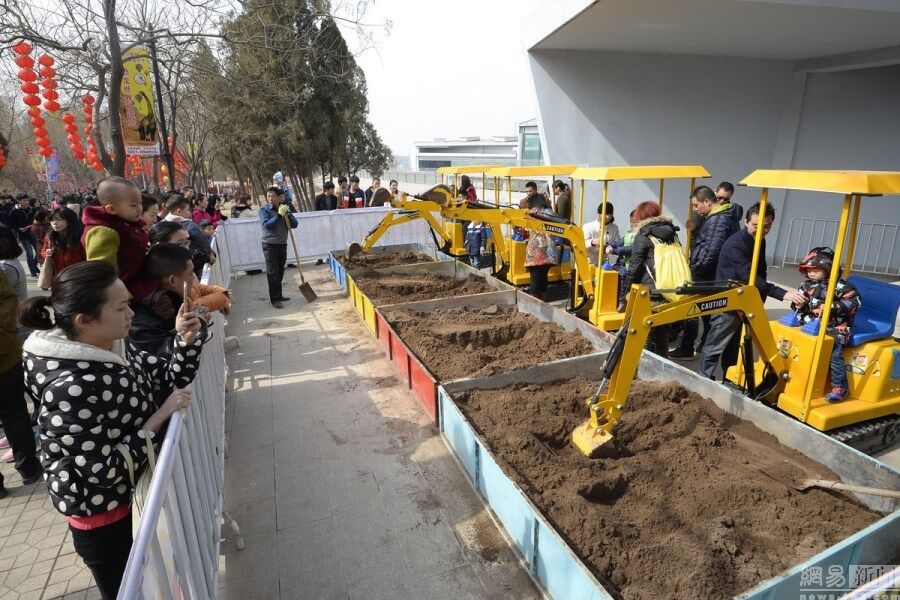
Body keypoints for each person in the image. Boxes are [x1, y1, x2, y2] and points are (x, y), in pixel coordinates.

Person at [20, 260, 204, 599]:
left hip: (136, 497)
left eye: (129, 303)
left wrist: (185, 338)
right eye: (121, 307)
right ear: (84, 320)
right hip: (107, 518)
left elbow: (168, 378)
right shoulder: (69, 386)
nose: (131, 313)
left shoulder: (110, 342)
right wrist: (158, 417)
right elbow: (102, 471)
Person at [698, 202, 806, 379]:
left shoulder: (759, 240)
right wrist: (782, 293)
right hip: (729, 300)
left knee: (734, 345)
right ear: (747, 222)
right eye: (757, 226)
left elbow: (761, 270)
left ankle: (729, 377)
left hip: (745, 300)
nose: (762, 230)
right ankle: (703, 378)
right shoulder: (735, 245)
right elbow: (750, 277)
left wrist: (760, 298)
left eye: (767, 226)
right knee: (716, 343)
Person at [670, 186, 743, 360]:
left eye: (696, 206)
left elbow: (710, 252)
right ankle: (703, 345)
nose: (695, 210)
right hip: (712, 274)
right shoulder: (720, 217)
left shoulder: (718, 220)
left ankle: (687, 348)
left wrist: (693, 272)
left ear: (707, 202)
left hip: (705, 274)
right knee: (707, 313)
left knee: (692, 311)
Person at [792, 247, 861, 403]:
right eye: (809, 269)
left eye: (816, 269)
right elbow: (801, 305)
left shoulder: (841, 287)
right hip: (810, 325)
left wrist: (832, 306)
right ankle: (798, 378)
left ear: (828, 269)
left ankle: (840, 387)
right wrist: (797, 305)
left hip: (835, 328)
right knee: (795, 345)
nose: (811, 273)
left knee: (834, 355)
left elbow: (854, 302)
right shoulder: (806, 285)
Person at [0, 268, 43, 498]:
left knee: (14, 411)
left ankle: (28, 466)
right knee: (15, 412)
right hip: (6, 352)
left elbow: (8, 300)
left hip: (4, 356)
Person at [82, 176, 154, 300]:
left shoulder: (126, 223)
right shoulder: (103, 232)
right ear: (111, 209)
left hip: (137, 283)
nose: (139, 208)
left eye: (140, 203)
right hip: (124, 293)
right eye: (133, 205)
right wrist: (123, 298)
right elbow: (104, 272)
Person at [623, 201, 680, 357]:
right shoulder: (672, 233)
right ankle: (663, 367)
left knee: (645, 334)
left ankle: (644, 369)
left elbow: (635, 267)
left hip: (649, 291)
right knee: (662, 334)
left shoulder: (643, 236)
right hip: (669, 288)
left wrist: (625, 292)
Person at [130, 244, 208, 356]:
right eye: (190, 275)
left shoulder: (170, 300)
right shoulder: (141, 318)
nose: (194, 280)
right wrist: (198, 325)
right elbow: (169, 356)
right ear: (173, 280)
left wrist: (197, 320)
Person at [149, 221, 231, 313]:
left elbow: (197, 287)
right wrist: (221, 297)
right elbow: (189, 307)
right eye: (179, 244)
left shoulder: (184, 265)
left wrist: (222, 292)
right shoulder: (163, 281)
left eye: (185, 243)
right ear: (160, 246)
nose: (185, 249)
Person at [259, 186, 298, 308]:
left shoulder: (283, 208)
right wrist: (279, 215)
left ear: (278, 197)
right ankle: (274, 299)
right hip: (269, 244)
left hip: (282, 244)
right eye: (268, 196)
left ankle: (279, 295)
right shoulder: (264, 209)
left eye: (273, 196)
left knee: (280, 271)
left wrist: (288, 213)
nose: (270, 198)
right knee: (273, 272)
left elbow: (294, 224)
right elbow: (267, 225)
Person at [164, 197, 214, 279]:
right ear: (179, 211)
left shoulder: (163, 224)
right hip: (193, 261)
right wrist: (209, 252)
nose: (190, 212)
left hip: (172, 267)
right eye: (187, 209)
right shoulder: (189, 225)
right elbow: (202, 241)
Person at [524, 195, 559, 300]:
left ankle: (536, 306)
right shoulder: (549, 213)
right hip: (547, 254)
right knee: (542, 281)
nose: (528, 208)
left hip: (538, 254)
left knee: (535, 283)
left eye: (529, 206)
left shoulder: (539, 214)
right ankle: (542, 302)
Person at [40, 207, 86, 275]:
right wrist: (46, 253)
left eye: (59, 219)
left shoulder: (81, 236)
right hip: (58, 276)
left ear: (69, 220)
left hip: (77, 275)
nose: (54, 223)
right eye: (52, 220)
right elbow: (43, 251)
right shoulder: (50, 236)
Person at [9, 194, 38, 277]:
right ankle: (33, 272)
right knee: (29, 253)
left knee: (38, 251)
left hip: (33, 233)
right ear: (18, 201)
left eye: (27, 200)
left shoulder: (32, 210)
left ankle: (34, 265)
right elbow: (11, 224)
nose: (26, 202)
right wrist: (19, 228)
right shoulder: (14, 211)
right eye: (24, 200)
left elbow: (37, 220)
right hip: (23, 235)